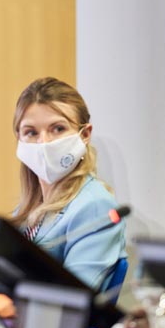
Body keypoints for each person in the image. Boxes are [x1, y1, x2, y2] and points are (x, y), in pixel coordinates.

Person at [12, 77, 127, 290]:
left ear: (85, 134)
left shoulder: (95, 208)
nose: (44, 142)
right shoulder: (29, 208)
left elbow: (73, 295)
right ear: (19, 138)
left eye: (58, 129)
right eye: (31, 132)